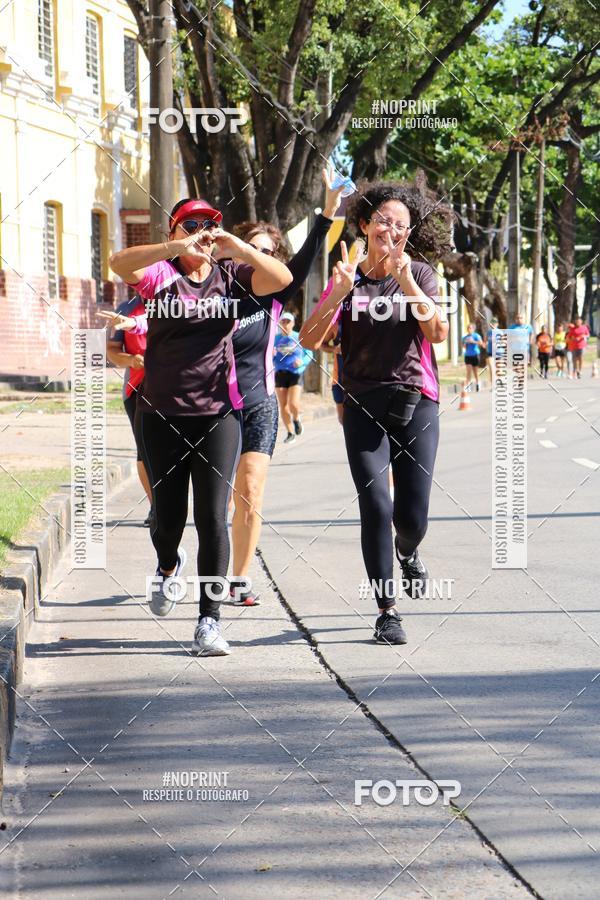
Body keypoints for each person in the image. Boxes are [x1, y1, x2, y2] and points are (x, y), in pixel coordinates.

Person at [103, 197, 292, 656]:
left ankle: (209, 621)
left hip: (218, 413)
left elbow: (282, 279)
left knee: (212, 517)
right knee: (168, 520)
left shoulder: (233, 277)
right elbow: (118, 262)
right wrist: (175, 247)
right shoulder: (160, 275)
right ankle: (168, 564)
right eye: (191, 225)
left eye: (209, 224)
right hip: (161, 414)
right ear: (174, 231)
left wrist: (238, 248)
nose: (202, 232)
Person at [300, 179, 452, 646]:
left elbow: (438, 332)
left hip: (416, 401)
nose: (392, 230)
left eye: (401, 225)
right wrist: (337, 294)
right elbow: (308, 339)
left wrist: (406, 280)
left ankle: (408, 552)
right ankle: (387, 611)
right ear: (365, 225)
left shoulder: (421, 273)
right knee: (375, 505)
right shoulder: (347, 276)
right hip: (363, 403)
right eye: (383, 221)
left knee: (412, 518)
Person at [225, 167, 344, 606]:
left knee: (251, 491)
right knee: (215, 501)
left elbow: (304, 262)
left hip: (258, 404)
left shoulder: (274, 295)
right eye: (251, 248)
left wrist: (327, 212)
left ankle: (239, 578)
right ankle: (180, 561)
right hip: (212, 407)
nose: (258, 256)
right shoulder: (215, 289)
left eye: (268, 252)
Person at [106, 295, 154, 526]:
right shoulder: (126, 309)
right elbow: (112, 351)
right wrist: (132, 360)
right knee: (145, 450)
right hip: (138, 389)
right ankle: (157, 506)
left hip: (179, 388)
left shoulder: (181, 299)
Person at [274, 312, 314, 443]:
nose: (285, 324)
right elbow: (268, 356)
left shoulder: (299, 337)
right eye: (283, 321)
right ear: (279, 324)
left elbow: (309, 354)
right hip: (280, 373)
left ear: (293, 324)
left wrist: (302, 362)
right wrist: (272, 355)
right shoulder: (275, 339)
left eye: (288, 321)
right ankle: (290, 432)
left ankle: (296, 419)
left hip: (295, 373)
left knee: (293, 404)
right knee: (283, 406)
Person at [462, 322, 484, 390]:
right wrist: (465, 344)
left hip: (475, 355)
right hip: (468, 355)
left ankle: (478, 383)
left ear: (473, 329)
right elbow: (463, 346)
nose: (469, 329)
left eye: (470, 328)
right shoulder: (465, 337)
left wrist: (473, 341)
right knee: (468, 371)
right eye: (468, 328)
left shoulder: (476, 336)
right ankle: (468, 386)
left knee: (475, 372)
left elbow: (481, 343)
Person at [485, 317, 498, 383]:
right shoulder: (489, 332)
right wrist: (486, 343)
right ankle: (493, 382)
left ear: (497, 324)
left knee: (498, 369)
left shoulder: (499, 332)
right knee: (491, 367)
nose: (493, 324)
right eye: (492, 323)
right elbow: (486, 340)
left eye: (495, 323)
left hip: (498, 352)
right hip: (490, 352)